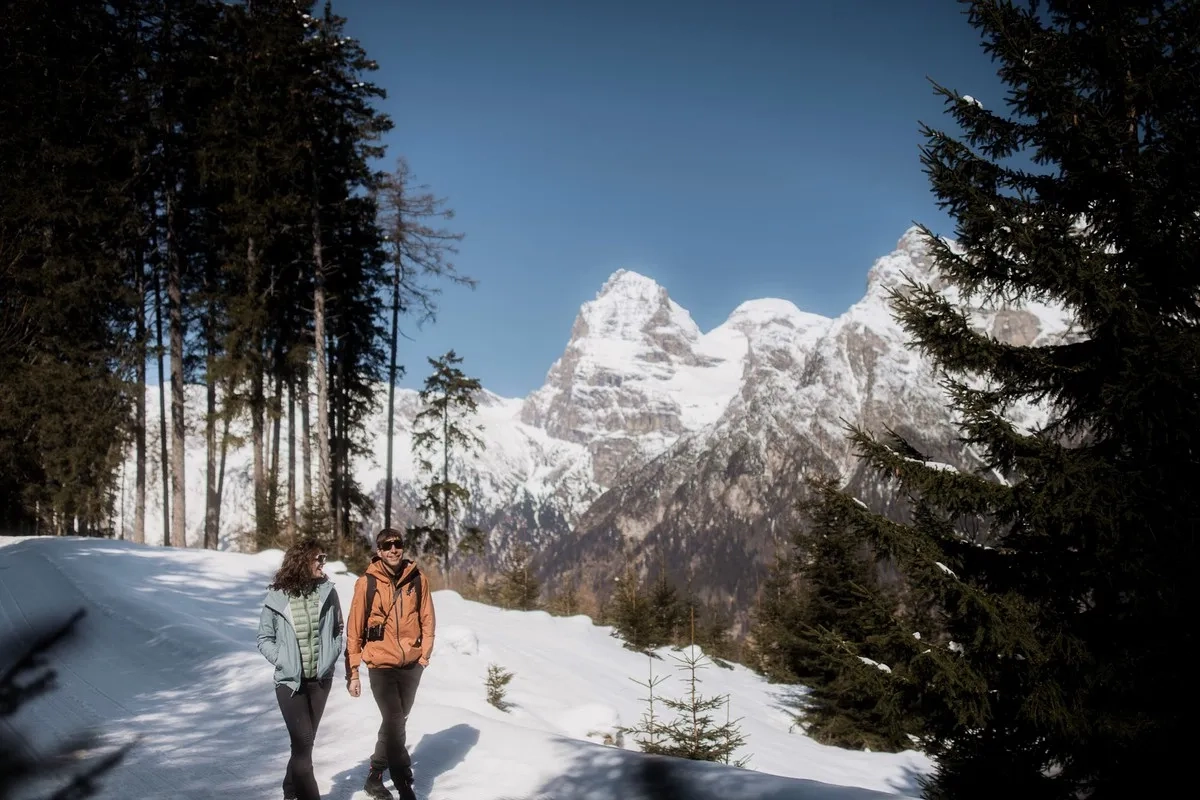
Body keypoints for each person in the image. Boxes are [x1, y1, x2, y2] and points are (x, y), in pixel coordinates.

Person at [345, 528, 436, 800]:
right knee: (395, 720)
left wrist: (424, 655)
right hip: (380, 666)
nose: (394, 549)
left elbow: (427, 618)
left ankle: (374, 776)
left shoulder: (417, 579)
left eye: (398, 544)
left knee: (395, 722)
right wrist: (353, 672)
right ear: (379, 551)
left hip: (411, 665)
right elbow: (354, 630)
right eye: (387, 546)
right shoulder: (366, 583)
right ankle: (403, 781)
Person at [257, 539, 345, 800]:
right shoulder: (278, 596)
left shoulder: (328, 592)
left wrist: (331, 654)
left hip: (320, 681)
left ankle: (290, 791)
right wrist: (283, 660)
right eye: (319, 558)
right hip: (290, 683)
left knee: (303, 745)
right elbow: (264, 638)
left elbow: (338, 629)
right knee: (304, 742)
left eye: (324, 558)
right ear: (302, 561)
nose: (323, 563)